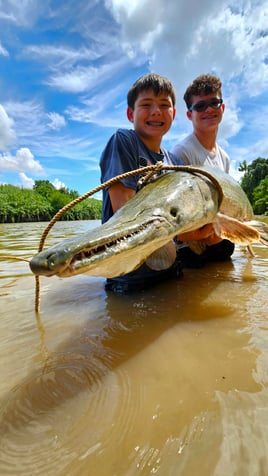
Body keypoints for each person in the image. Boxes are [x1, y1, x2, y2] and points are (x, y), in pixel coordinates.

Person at [100, 73, 184, 293]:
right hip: (129, 277)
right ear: (130, 113)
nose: (156, 111)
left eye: (164, 105)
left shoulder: (174, 161)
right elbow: (125, 213)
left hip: (171, 271)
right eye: (146, 104)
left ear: (173, 114)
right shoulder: (124, 141)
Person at [170, 73, 234, 267]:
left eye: (214, 103)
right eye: (200, 106)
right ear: (190, 114)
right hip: (190, 248)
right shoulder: (182, 152)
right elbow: (179, 217)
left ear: (222, 108)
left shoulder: (224, 157)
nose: (208, 110)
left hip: (219, 241)